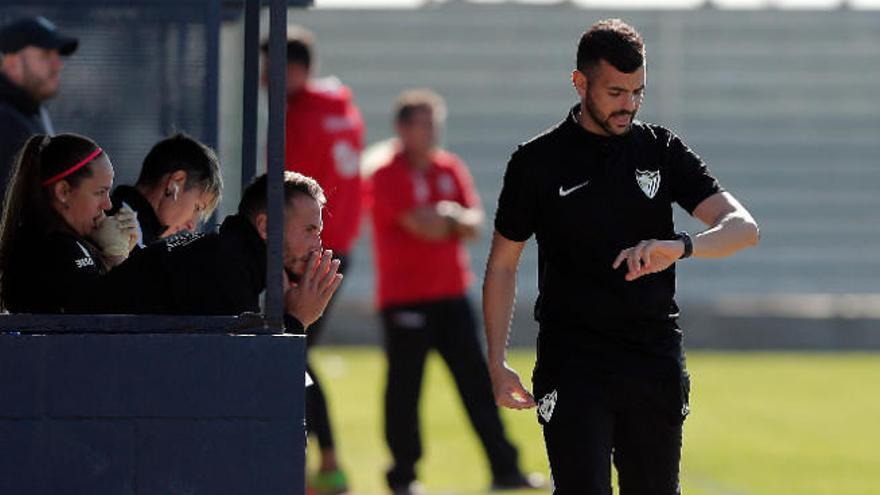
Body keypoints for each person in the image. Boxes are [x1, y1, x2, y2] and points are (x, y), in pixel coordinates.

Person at [483, 19, 760, 495]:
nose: (628, 105)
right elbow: (503, 264)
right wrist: (495, 360)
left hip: (652, 359)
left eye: (638, 92)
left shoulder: (661, 149)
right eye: (616, 92)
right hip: (572, 363)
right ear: (580, 82)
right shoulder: (536, 162)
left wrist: (679, 247)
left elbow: (743, 229)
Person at [368, 89, 542, 495]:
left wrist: (447, 217)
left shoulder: (448, 167)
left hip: (451, 295)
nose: (432, 133)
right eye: (424, 124)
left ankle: (505, 469)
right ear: (403, 129)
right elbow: (418, 224)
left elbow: (476, 224)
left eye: (435, 124)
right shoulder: (385, 173)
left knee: (478, 385)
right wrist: (450, 220)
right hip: (404, 298)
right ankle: (404, 477)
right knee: (405, 391)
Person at [262, 26, 364, 494]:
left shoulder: (299, 117)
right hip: (336, 246)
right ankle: (324, 463)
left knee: (292, 351)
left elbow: (287, 192)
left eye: (270, 67)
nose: (264, 76)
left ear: (294, 69)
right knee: (298, 351)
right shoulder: (341, 109)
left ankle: (318, 466)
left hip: (307, 251)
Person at [0, 133, 139, 313]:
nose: (108, 204)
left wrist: (117, 253)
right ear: (63, 191)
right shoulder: (57, 247)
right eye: (99, 192)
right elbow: (117, 315)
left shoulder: (45, 238)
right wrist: (116, 255)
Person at [0, 16, 77, 197]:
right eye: (45, 55)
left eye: (57, 55)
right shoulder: (6, 122)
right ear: (12, 63)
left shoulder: (26, 113)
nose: (58, 65)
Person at [108, 132, 223, 246]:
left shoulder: (137, 236)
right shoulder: (114, 227)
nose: (191, 226)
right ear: (176, 181)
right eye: (197, 208)